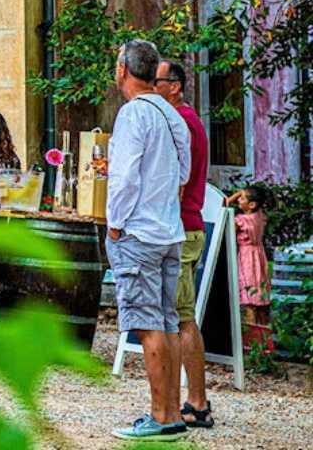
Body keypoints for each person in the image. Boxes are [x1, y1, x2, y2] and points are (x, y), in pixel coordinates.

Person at [107, 39, 191, 442]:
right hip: (169, 230)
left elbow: (124, 177)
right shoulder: (171, 114)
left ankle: (160, 415)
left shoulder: (133, 114)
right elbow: (184, 172)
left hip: (139, 230)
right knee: (167, 321)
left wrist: (115, 223)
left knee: (146, 323)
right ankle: (171, 412)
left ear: (123, 69)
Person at [155, 59, 213, 431]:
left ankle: (195, 402)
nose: (152, 86)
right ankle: (192, 401)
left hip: (182, 228)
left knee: (181, 318)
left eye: (157, 81)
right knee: (180, 316)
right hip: (185, 226)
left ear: (174, 85)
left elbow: (176, 181)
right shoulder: (184, 120)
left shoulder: (183, 123)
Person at [224, 184, 273, 323]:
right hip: (259, 255)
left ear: (251, 204)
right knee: (260, 295)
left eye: (242, 198)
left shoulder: (240, 221)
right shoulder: (260, 216)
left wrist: (231, 199)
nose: (239, 199)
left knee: (249, 299)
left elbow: (225, 204)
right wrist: (243, 193)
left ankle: (252, 331)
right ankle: (263, 330)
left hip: (246, 257)